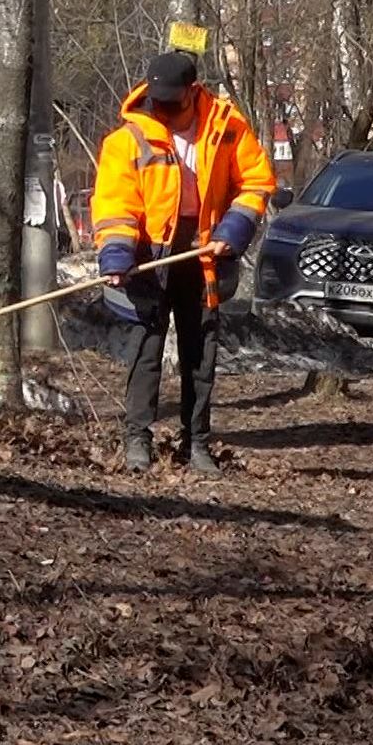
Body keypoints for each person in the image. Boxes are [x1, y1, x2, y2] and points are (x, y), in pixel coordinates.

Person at [93, 50, 276, 476]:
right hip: (148, 259)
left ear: (193, 92)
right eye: (158, 103)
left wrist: (233, 229)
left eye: (173, 104)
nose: (165, 112)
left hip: (205, 256)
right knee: (146, 351)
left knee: (201, 354)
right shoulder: (127, 140)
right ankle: (137, 441)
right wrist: (117, 253)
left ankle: (197, 444)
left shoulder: (227, 127)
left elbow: (256, 181)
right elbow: (115, 205)